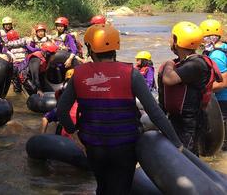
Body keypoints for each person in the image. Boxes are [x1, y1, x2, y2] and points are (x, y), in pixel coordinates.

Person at [58, 24, 183, 195]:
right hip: (126, 146)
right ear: (116, 47)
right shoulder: (131, 73)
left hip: (94, 145)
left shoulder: (78, 73)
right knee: (121, 189)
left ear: (90, 48)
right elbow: (154, 112)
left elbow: (62, 111)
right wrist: (176, 143)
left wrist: (75, 134)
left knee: (102, 186)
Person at [158, 21, 222, 155]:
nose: (170, 41)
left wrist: (168, 64)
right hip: (178, 118)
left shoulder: (197, 64)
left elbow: (169, 79)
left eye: (172, 37)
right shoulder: (184, 63)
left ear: (177, 41)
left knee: (188, 155)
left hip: (190, 122)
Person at [200, 19, 227, 151]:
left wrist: (201, 90)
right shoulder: (224, 48)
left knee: (221, 144)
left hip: (223, 101)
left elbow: (223, 83)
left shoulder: (216, 55)